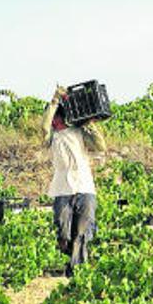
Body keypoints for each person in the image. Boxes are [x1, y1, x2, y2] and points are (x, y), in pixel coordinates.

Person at [42, 86, 106, 277]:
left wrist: (92, 127)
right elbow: (44, 126)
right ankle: (66, 261)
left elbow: (101, 146)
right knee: (62, 230)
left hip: (84, 185)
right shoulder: (52, 135)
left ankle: (77, 270)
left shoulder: (80, 131)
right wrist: (54, 101)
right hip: (62, 188)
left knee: (82, 231)